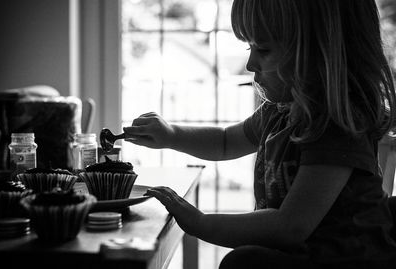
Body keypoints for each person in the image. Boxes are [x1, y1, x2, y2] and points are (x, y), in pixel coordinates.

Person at [123, 0, 396, 268]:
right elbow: (225, 141)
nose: (250, 64)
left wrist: (201, 223)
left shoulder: (337, 124)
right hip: (303, 253)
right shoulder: (279, 111)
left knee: (242, 262)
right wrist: (171, 135)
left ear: (319, 52)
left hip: (349, 258)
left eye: (263, 49)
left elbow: (290, 226)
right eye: (249, 47)